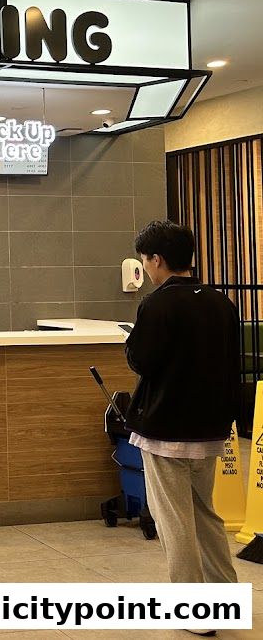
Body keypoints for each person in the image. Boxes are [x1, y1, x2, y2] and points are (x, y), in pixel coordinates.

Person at [125, 220, 240, 635]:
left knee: (173, 520)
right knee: (205, 513)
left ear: (156, 259)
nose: (145, 267)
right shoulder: (221, 303)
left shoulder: (157, 305)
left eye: (145, 260)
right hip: (210, 428)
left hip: (165, 429)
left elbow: (141, 360)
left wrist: (130, 342)